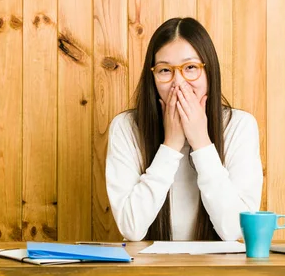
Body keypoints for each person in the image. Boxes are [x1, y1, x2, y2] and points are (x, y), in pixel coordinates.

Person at [105, 17, 263, 241]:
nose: (178, 83)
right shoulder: (125, 128)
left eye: (190, 68)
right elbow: (131, 228)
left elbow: (234, 229)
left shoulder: (239, 126)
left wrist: (201, 142)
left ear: (210, 72)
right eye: (165, 70)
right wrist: (170, 146)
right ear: (153, 77)